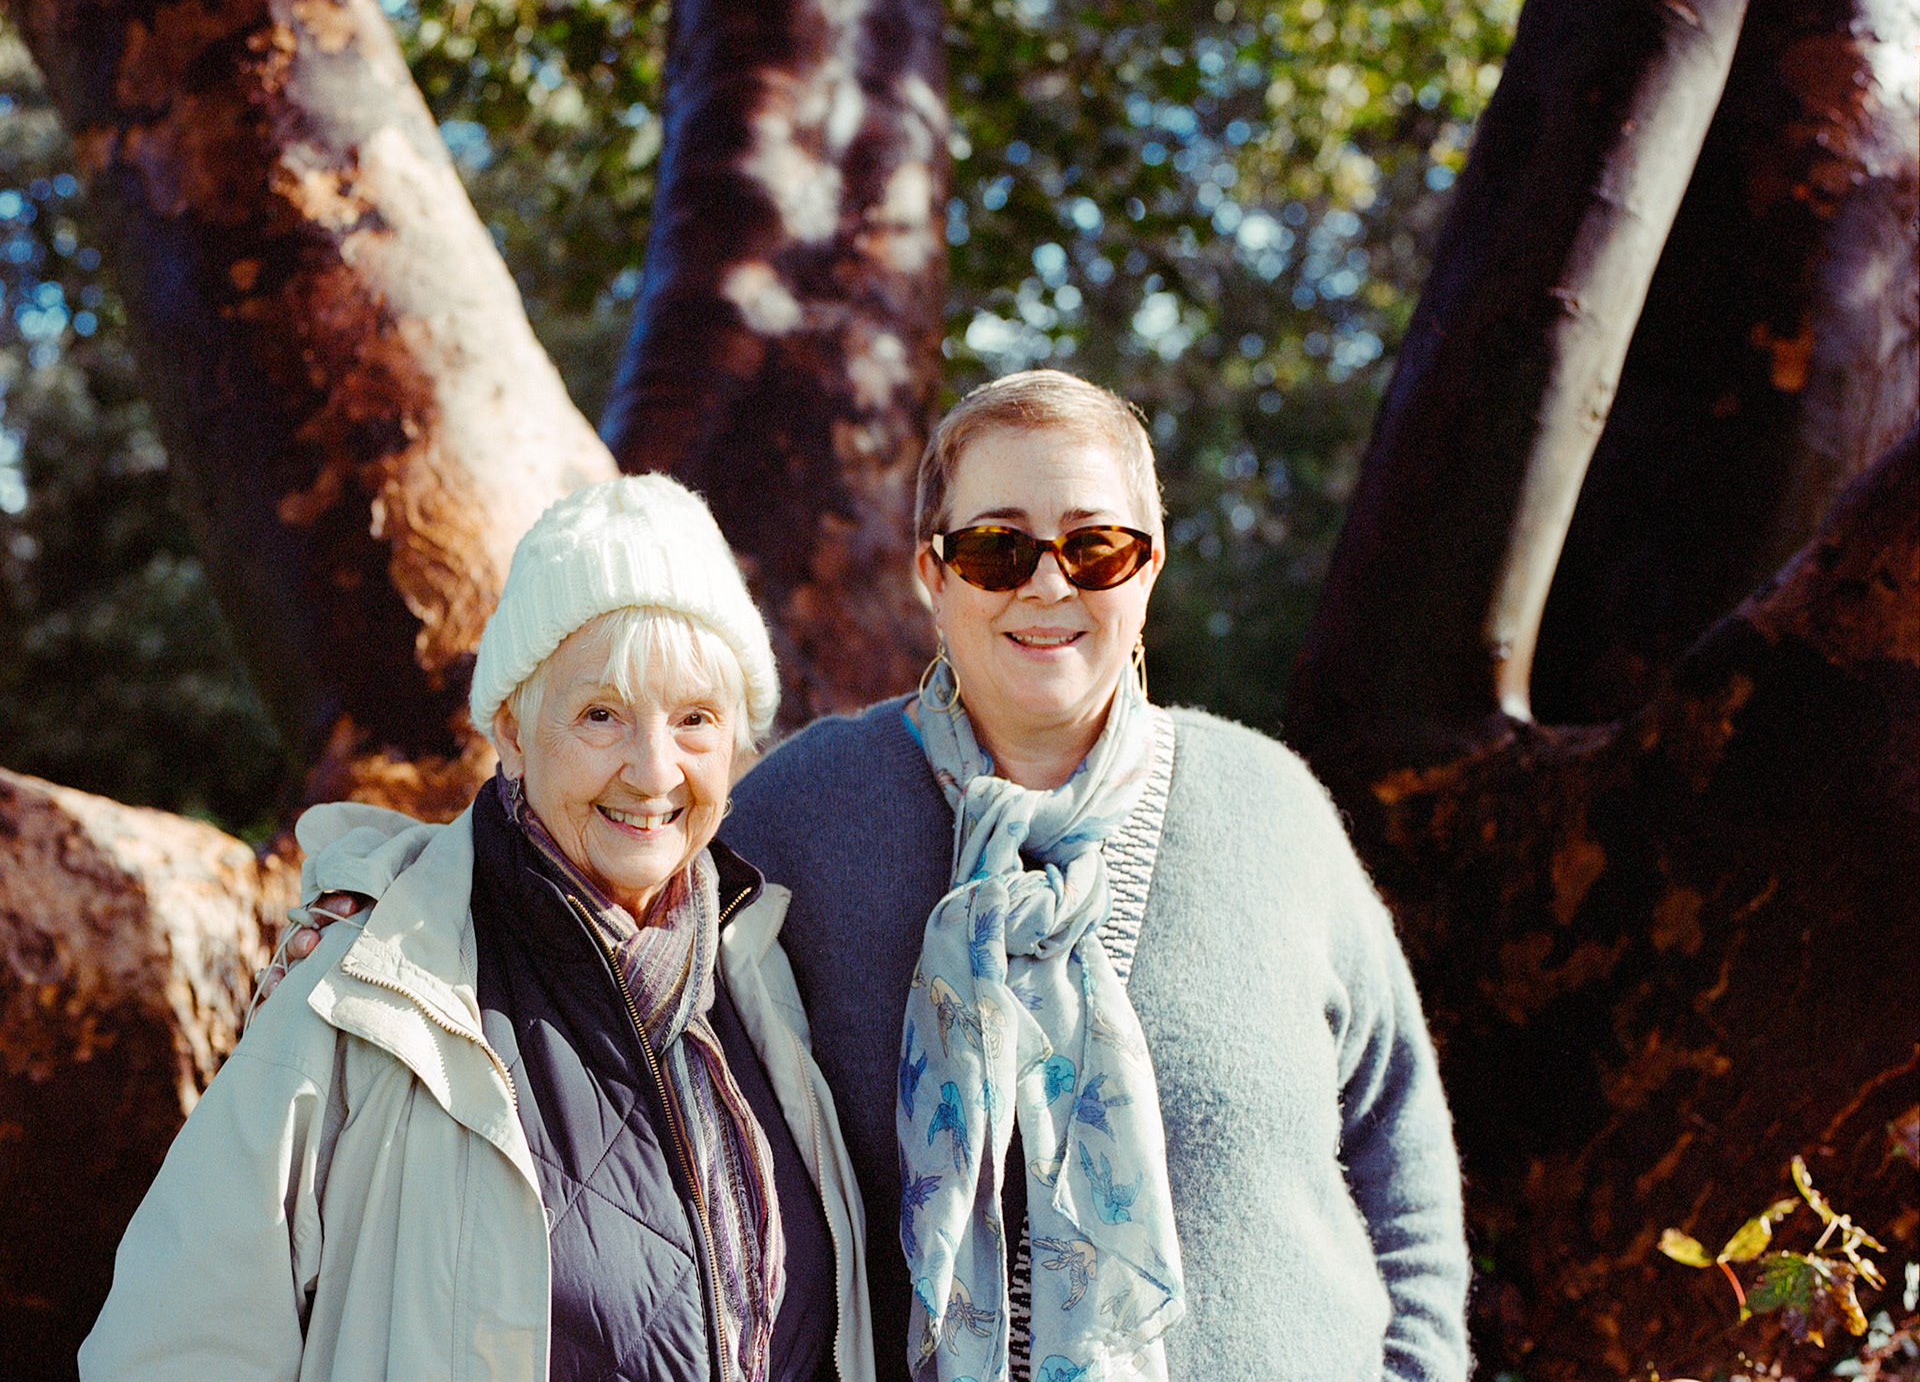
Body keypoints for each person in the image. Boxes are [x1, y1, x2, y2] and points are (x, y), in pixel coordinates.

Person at [721, 370, 1471, 1381]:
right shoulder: (800, 815)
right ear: (931, 577)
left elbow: (1400, 1136)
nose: (1048, 584)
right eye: (996, 549)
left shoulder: (1271, 807)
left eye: (1094, 545)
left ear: (1148, 570)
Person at [81, 476, 874, 1382]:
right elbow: (173, 1348)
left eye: (696, 719)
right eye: (601, 715)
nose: (655, 770)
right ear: (512, 729)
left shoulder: (762, 976)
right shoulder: (366, 987)